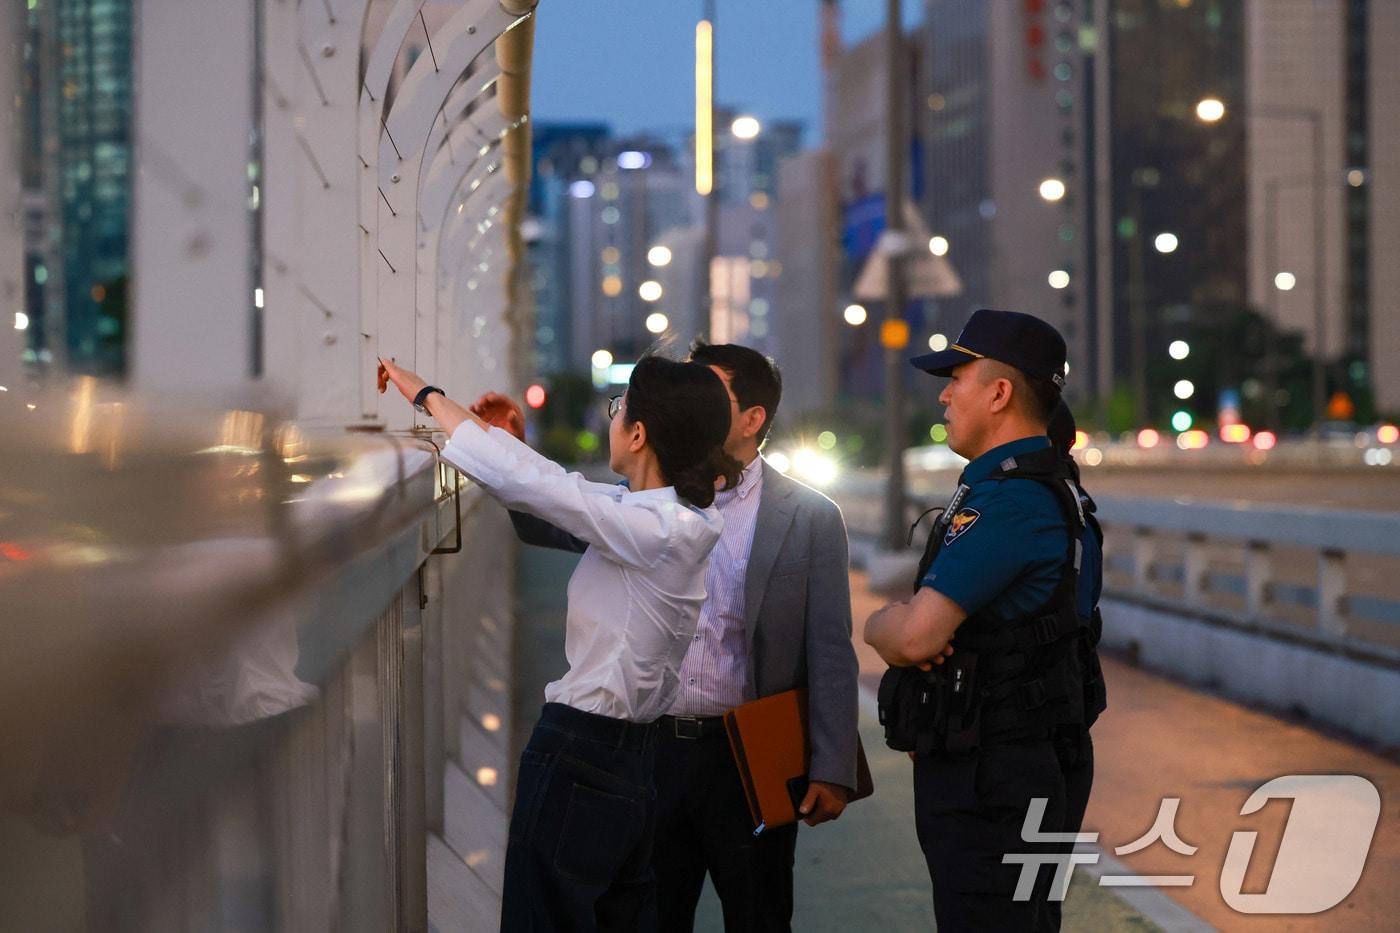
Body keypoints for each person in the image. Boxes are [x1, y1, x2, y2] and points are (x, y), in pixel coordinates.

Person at [478, 341, 860, 932]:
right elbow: (544, 515)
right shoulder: (650, 502)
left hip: (747, 753)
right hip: (650, 749)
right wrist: (510, 445)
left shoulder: (808, 515)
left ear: (753, 418)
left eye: (709, 390)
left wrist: (831, 766)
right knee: (652, 915)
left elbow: (831, 647)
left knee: (760, 914)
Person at [378, 354, 741, 932]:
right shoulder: (669, 522)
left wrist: (427, 395)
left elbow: (548, 491)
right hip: (631, 758)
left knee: (542, 919)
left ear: (640, 434)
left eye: (618, 410)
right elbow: (562, 490)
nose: (612, 420)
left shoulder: (653, 530)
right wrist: (508, 442)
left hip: (581, 752)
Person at [863, 308, 1105, 932]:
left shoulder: (1010, 502)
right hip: (1022, 757)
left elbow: (916, 637)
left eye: (958, 378)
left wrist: (882, 623)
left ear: (1000, 393)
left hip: (995, 773)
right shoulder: (1050, 489)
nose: (943, 394)